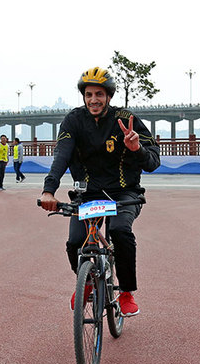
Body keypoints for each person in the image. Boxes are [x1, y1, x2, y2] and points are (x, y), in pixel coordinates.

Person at [39, 67, 160, 316]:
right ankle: (87, 281)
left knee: (119, 231)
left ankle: (126, 293)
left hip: (125, 194)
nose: (94, 100)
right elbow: (61, 157)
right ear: (84, 96)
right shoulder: (74, 120)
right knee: (75, 242)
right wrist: (49, 191)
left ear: (109, 97)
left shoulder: (127, 119)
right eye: (89, 94)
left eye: (99, 94)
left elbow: (152, 163)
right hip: (89, 195)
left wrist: (136, 148)